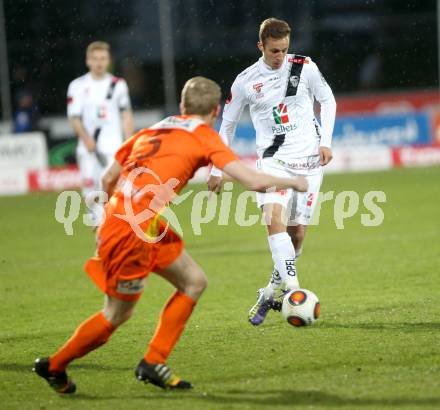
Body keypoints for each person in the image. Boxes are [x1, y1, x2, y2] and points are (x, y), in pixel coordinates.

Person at [33, 76, 308, 393]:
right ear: (215, 111)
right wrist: (295, 183)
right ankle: (54, 366)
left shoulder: (154, 129)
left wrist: (105, 215)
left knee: (194, 281)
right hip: (130, 232)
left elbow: (109, 176)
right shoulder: (205, 137)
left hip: (136, 222)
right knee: (116, 314)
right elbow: (254, 181)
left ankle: (152, 362)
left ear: (182, 105)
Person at [207, 18, 337, 326]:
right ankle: (294, 290)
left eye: (284, 50)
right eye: (274, 50)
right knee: (273, 220)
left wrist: (326, 142)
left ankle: (269, 291)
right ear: (261, 46)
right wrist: (217, 166)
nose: (280, 56)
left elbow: (327, 100)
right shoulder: (245, 81)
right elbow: (226, 125)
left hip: (308, 162)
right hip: (272, 162)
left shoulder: (304, 66)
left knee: (297, 235)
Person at [67, 41, 134, 224]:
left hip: (113, 147)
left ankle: (112, 227)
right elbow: (74, 117)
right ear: (88, 61)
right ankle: (98, 228)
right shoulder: (77, 85)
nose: (99, 63)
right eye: (95, 59)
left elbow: (126, 115)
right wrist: (86, 139)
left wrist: (129, 143)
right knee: (90, 191)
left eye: (103, 58)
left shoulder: (118, 84)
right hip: (88, 149)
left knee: (112, 190)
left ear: (109, 60)